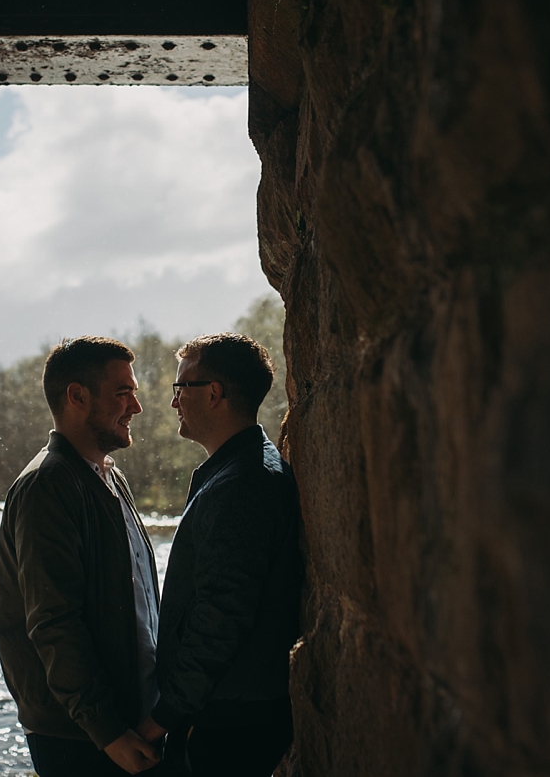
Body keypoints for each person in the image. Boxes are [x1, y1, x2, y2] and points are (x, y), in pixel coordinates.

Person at [0, 336, 164, 776]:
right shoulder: (46, 487)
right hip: (80, 738)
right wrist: (107, 731)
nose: (136, 408)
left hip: (126, 723)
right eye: (123, 393)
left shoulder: (110, 477)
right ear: (77, 396)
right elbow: (54, 623)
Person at [138, 332, 303, 777]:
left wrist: (165, 715)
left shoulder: (242, 488)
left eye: (180, 388)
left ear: (213, 394)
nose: (174, 402)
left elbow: (220, 617)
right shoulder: (239, 471)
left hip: (228, 722)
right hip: (231, 713)